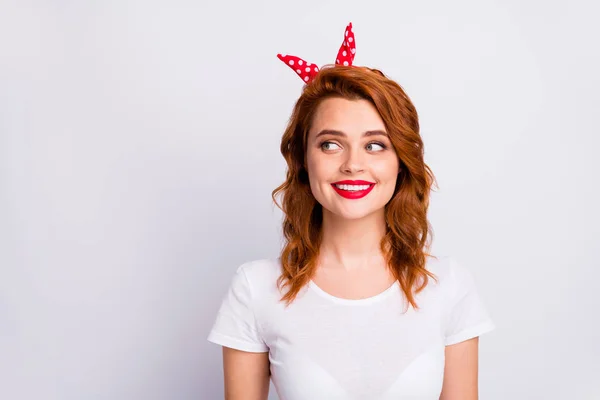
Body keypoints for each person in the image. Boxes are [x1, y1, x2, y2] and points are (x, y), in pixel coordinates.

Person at [207, 22, 495, 400]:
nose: (353, 165)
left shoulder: (449, 286)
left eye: (375, 145)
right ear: (303, 160)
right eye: (330, 144)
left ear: (401, 162)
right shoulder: (256, 289)